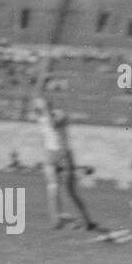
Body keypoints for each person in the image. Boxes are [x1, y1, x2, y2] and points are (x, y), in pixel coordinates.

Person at [31, 94, 97, 230]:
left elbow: (54, 124)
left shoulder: (60, 115)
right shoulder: (41, 118)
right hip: (51, 155)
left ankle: (87, 221)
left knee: (70, 191)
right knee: (52, 189)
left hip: (65, 155)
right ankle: (57, 220)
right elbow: (46, 135)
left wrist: (46, 110)